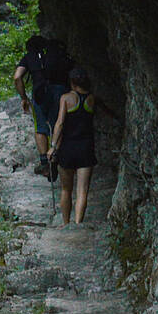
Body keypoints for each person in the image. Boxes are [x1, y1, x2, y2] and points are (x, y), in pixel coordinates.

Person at [13, 36, 71, 176]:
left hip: (40, 93)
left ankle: (45, 164)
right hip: (60, 91)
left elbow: (17, 77)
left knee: (40, 128)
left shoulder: (29, 57)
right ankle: (57, 157)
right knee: (58, 123)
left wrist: (24, 97)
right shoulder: (56, 54)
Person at [49, 67, 100, 225]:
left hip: (68, 148)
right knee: (82, 191)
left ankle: (65, 223)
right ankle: (78, 224)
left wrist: (53, 146)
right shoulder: (92, 99)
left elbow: (60, 123)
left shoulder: (66, 98)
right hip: (86, 148)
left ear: (72, 82)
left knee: (66, 190)